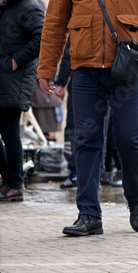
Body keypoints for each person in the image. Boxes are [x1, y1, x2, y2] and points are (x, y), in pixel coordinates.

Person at [38, 0, 138, 235]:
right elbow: (55, 21)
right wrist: (47, 68)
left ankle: (135, 199)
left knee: (128, 138)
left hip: (129, 61)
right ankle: (89, 214)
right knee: (86, 140)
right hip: (85, 67)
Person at [0, 0, 44, 202]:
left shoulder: (29, 7)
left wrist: (16, 60)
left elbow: (41, 38)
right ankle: (7, 176)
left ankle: (14, 184)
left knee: (9, 132)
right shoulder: (2, 9)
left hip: (14, 81)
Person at [56, 38, 77, 189]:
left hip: (81, 81)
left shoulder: (79, 18)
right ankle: (100, 173)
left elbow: (68, 54)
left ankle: (75, 173)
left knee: (73, 128)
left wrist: (61, 83)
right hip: (113, 79)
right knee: (101, 131)